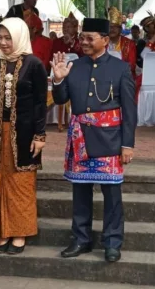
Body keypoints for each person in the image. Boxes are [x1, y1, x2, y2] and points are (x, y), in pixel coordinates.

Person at [51, 18, 136, 263]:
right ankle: (80, 239)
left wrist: (127, 144)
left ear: (105, 40)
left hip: (110, 138)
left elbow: (129, 109)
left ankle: (112, 242)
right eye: (82, 37)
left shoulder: (120, 68)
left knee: (112, 194)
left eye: (90, 38)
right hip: (80, 138)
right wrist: (58, 80)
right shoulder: (74, 66)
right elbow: (60, 99)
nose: (84, 42)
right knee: (80, 192)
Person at [0, 17, 47, 255]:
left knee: (20, 183)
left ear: (20, 37)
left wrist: (40, 135)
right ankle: (3, 231)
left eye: (8, 38)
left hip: (24, 133)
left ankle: (20, 232)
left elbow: (40, 103)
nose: (2, 43)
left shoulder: (34, 64)